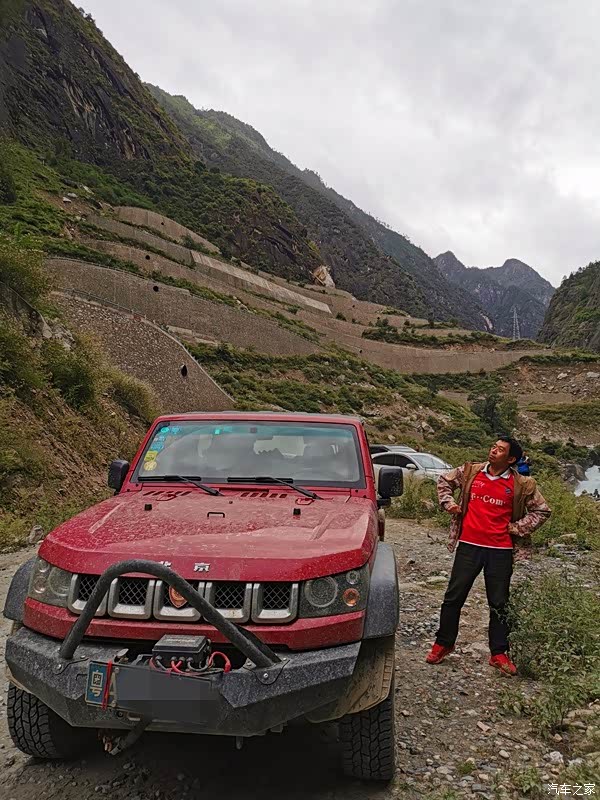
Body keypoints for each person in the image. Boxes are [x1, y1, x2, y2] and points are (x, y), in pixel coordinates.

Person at [425, 436, 551, 676]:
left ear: (511, 459)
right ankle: (443, 643)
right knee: (453, 597)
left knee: (499, 603)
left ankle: (499, 653)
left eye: (500, 450)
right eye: (493, 446)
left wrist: (517, 528)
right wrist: (448, 503)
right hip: (469, 546)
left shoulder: (522, 484)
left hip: (500, 551)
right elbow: (444, 481)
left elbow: (542, 511)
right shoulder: (470, 471)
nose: (493, 451)